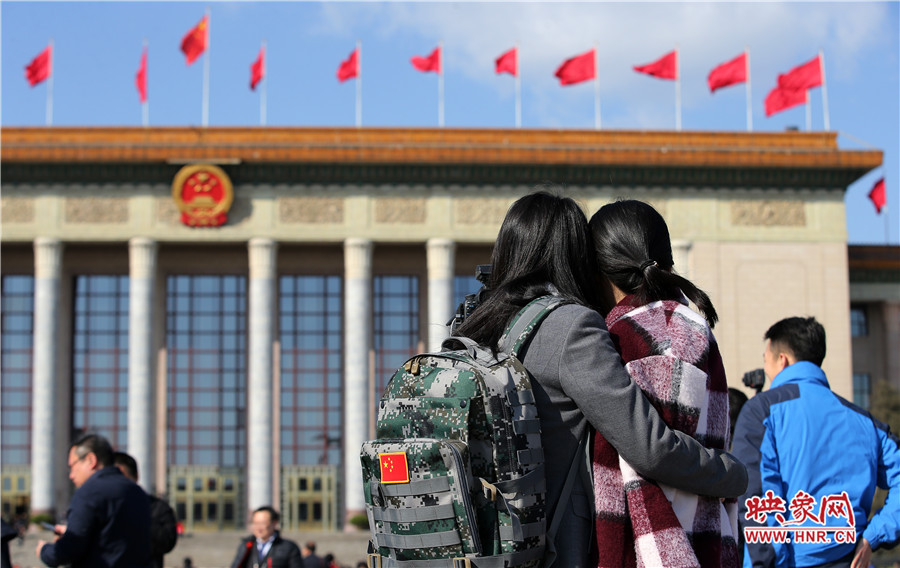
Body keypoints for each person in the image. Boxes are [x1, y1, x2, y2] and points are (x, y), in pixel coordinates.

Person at [456, 191, 748, 567]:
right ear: (573, 256)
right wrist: (731, 473)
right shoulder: (571, 326)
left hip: (481, 538)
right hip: (550, 547)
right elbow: (649, 447)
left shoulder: (475, 326)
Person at [588, 199, 738, 567]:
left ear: (598, 270)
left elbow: (648, 484)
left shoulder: (629, 338)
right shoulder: (694, 328)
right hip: (709, 541)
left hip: (654, 553)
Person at [732, 317, 900, 568]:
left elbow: (755, 496)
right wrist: (873, 536)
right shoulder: (866, 423)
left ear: (782, 360)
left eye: (766, 360)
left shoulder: (761, 411)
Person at [35, 433, 151, 567]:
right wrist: (71, 531)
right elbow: (114, 541)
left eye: (72, 466)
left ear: (91, 460)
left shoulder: (89, 492)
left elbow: (69, 550)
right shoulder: (138, 492)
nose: (71, 475)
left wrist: (44, 550)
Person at [113, 451, 178, 568]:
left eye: (123, 477)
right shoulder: (101, 507)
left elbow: (167, 542)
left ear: (136, 477)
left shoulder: (158, 507)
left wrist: (136, 513)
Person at [230, 506, 303, 568]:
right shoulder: (247, 546)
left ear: (274, 523)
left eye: (262, 523)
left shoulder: (289, 547)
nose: (258, 527)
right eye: (255, 523)